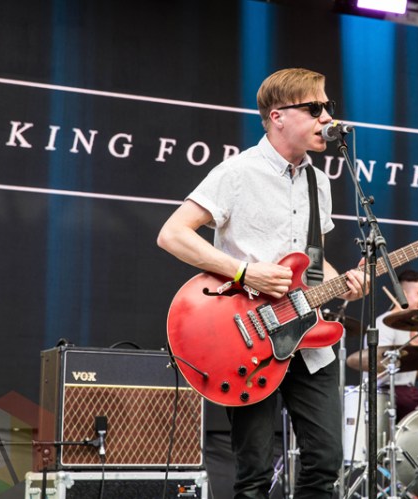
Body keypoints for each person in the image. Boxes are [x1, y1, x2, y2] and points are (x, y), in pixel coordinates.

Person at [157, 68, 366, 499]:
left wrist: (344, 282)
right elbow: (172, 234)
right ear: (278, 116)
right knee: (254, 474)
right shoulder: (237, 172)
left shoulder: (319, 181)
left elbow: (312, 260)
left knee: (326, 462)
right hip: (247, 339)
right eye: (315, 108)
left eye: (328, 106)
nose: (328, 117)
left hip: (307, 336)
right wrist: (243, 272)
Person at [371, 269, 418, 421]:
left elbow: (414, 373)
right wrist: (410, 348)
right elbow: (377, 367)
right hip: (384, 393)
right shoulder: (383, 324)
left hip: (407, 393)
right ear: (403, 295)